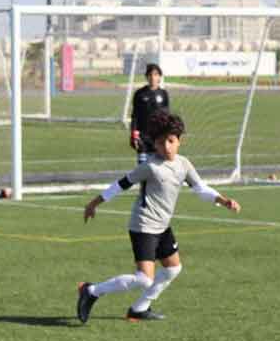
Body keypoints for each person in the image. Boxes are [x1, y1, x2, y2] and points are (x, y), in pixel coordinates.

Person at [76, 111, 241, 323]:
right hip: (143, 225)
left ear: (180, 141)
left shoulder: (183, 164)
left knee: (173, 268)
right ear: (154, 144)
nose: (167, 147)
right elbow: (121, 184)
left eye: (171, 141)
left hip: (163, 227)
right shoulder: (150, 167)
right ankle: (91, 291)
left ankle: (139, 308)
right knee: (144, 279)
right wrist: (94, 203)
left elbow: (200, 188)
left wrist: (223, 200)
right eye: (161, 142)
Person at [130, 63, 169, 164]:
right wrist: (133, 134)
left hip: (158, 136)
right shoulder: (139, 94)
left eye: (156, 74)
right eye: (150, 74)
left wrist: (168, 133)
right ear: (146, 77)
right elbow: (135, 116)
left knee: (159, 168)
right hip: (143, 136)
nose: (153, 77)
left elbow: (167, 116)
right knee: (142, 167)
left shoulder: (163, 94)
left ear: (160, 77)